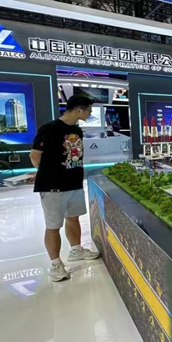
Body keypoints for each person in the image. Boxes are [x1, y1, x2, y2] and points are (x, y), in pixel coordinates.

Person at [30, 95, 101, 282]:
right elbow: (35, 155)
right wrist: (46, 174)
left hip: (74, 183)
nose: (89, 114)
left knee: (73, 217)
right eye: (88, 110)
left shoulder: (77, 130)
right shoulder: (50, 128)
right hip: (53, 188)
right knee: (53, 226)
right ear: (78, 110)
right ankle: (56, 264)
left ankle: (76, 250)